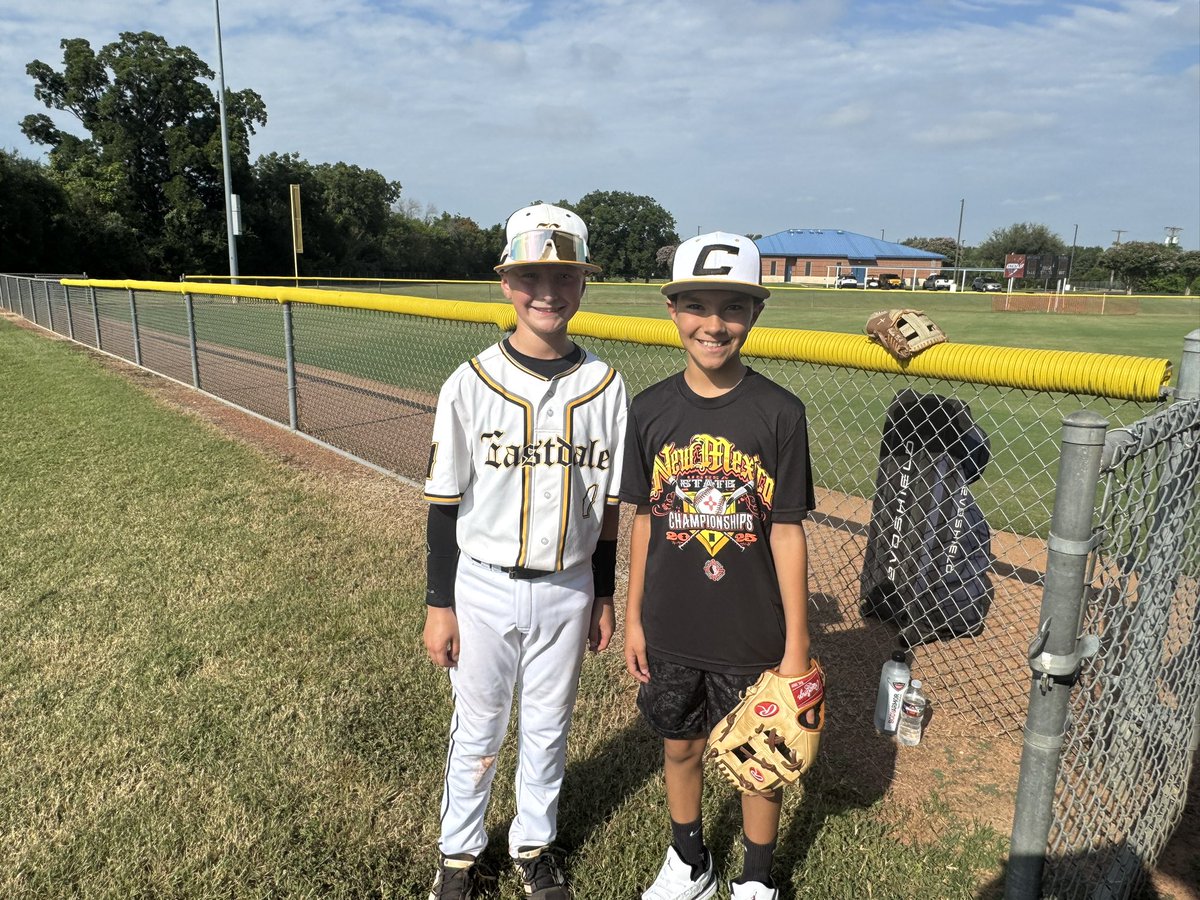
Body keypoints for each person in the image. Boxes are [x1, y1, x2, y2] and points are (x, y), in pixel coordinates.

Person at [422, 203, 627, 900]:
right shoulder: (469, 381)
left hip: (568, 587)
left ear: (582, 286)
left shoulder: (605, 385)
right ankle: (458, 854)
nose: (547, 290)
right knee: (477, 728)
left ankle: (532, 846)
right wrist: (438, 605)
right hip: (480, 584)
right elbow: (444, 504)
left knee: (547, 728)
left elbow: (607, 513)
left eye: (562, 275)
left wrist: (603, 593)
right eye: (530, 275)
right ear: (507, 283)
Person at [620, 232, 816, 900]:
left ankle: (756, 879)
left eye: (732, 307)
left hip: (749, 630)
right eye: (697, 305)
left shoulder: (780, 412)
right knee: (680, 745)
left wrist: (797, 644)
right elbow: (644, 519)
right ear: (672, 310)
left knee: (761, 761)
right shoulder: (648, 411)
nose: (714, 323)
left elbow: (786, 531)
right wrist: (635, 619)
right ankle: (689, 862)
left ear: (755, 314)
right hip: (671, 622)